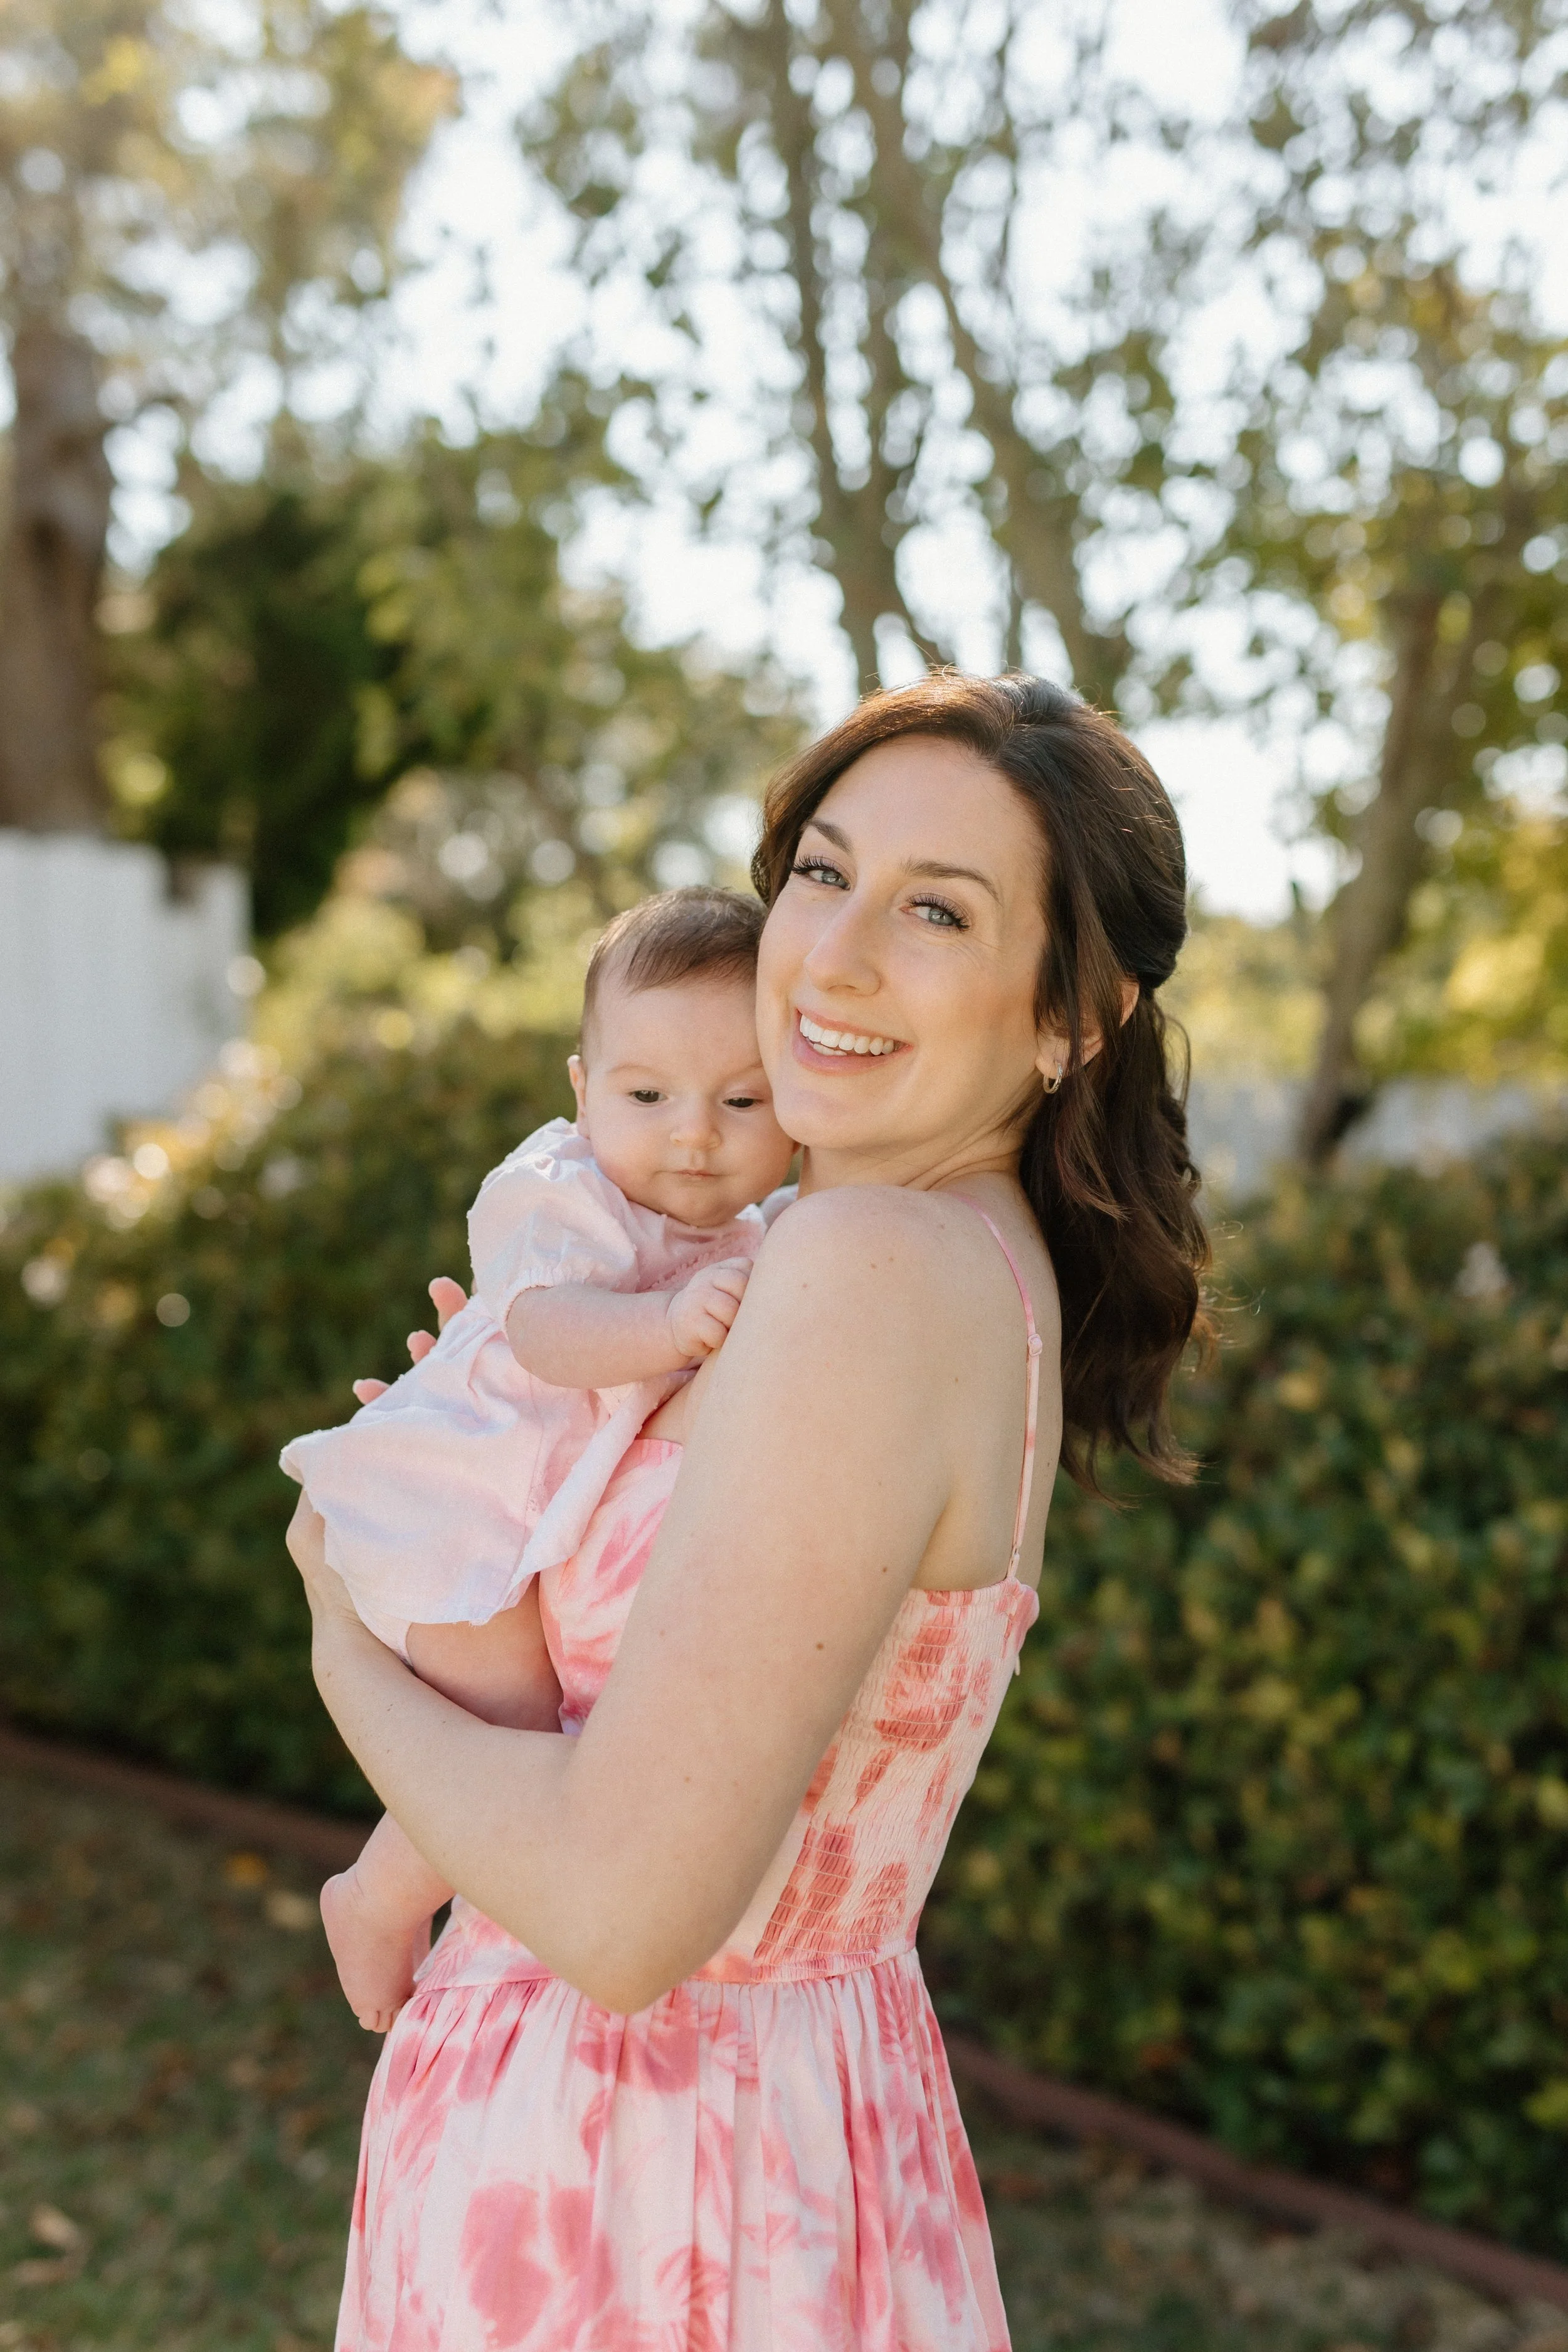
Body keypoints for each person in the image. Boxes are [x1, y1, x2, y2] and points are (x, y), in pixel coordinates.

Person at [288, 672, 1209, 2351]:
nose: (833, 956)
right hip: (764, 2126)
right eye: (821, 873)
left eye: (936, 909)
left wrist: (339, 1633)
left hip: (639, 2176)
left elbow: (618, 1913)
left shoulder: (864, 1266)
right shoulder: (906, 1260)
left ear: (1074, 1014)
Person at [280, 889, 797, 2030]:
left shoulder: (753, 1232)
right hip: (458, 1507)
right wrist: (666, 1324)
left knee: (525, 1739)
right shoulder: (564, 1193)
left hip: (521, 1521)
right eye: (647, 1095)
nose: (694, 1132)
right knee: (511, 1741)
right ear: (582, 1089)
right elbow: (542, 1329)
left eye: (742, 1098)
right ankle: (373, 1897)